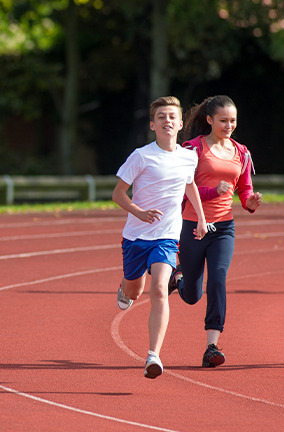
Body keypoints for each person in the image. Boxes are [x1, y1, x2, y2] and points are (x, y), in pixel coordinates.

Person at [112, 96, 208, 379]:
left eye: (172, 117)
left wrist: (202, 218)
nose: (167, 121)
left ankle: (153, 355)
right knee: (134, 291)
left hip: (166, 235)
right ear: (153, 125)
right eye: (161, 117)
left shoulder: (189, 157)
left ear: (180, 124)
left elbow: (190, 185)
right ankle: (125, 286)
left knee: (158, 290)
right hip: (135, 236)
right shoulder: (141, 156)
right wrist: (138, 212)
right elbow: (118, 193)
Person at [170, 95, 262, 367]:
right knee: (192, 296)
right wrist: (212, 191)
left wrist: (250, 202)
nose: (229, 125)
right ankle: (179, 279)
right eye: (223, 120)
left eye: (233, 120)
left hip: (223, 228)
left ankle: (212, 346)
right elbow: (182, 190)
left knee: (218, 279)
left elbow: (244, 189)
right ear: (209, 120)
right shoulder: (192, 150)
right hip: (193, 225)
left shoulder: (241, 152)